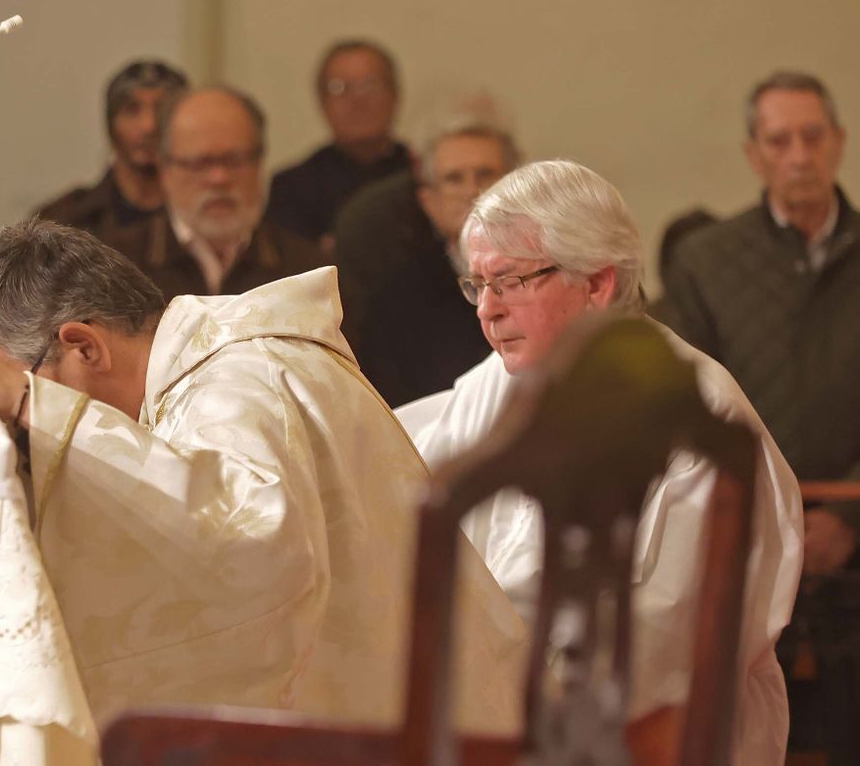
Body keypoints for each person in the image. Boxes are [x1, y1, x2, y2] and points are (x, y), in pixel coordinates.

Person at [0, 220, 525, 734]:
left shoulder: (242, 382)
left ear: (85, 343)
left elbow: (252, 546)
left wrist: (33, 400)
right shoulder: (206, 359)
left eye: (31, 379)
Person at [402, 160, 802, 764]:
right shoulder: (489, 388)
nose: (487, 311)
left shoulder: (698, 411)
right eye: (477, 286)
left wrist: (489, 672)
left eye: (509, 281)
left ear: (597, 284)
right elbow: (388, 461)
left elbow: (674, 644)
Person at [662, 73, 859, 576]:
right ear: (754, 154)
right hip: (744, 538)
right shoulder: (705, 263)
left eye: (813, 136)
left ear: (839, 141)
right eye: (779, 141)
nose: (799, 156)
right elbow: (689, 404)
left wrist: (846, 517)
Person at [335, 116, 518, 406]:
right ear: (428, 201)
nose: (472, 191)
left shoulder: (546, 277)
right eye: (454, 178)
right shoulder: (394, 297)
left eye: (485, 175)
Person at [101, 87, 320, 299]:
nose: (219, 179)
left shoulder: (309, 274)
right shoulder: (115, 269)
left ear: (260, 163)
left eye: (235, 160)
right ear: (164, 170)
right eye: (199, 163)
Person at [267, 38, 412, 254]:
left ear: (396, 95)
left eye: (370, 84)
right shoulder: (291, 188)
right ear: (322, 102)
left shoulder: (425, 178)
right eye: (340, 88)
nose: (357, 99)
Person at [35, 59, 188, 236]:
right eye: (132, 110)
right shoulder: (65, 222)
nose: (149, 126)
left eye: (162, 110)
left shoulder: (207, 217)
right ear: (111, 125)